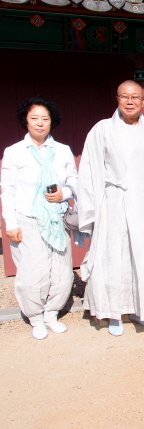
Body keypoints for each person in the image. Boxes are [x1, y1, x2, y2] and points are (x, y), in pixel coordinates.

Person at [78, 80, 144, 336]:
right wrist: (93, 209)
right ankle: (114, 313)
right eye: (125, 96)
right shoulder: (101, 130)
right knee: (114, 258)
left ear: (143, 101)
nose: (130, 101)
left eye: (135, 97)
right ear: (117, 98)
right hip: (112, 203)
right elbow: (89, 171)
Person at [1, 96, 77, 340]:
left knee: (62, 270)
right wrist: (10, 224)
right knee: (32, 271)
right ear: (26, 121)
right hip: (28, 218)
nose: (40, 123)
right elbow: (7, 190)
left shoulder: (63, 150)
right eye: (34, 118)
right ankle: (35, 317)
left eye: (45, 118)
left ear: (52, 121)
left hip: (57, 218)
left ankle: (51, 313)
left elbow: (74, 181)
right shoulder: (14, 152)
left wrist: (64, 193)